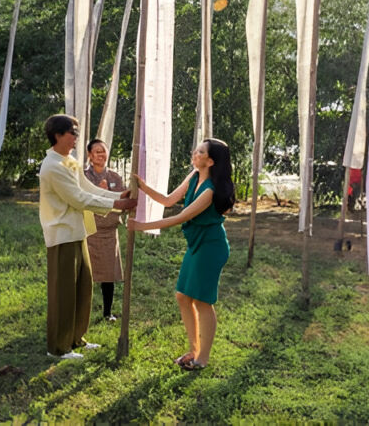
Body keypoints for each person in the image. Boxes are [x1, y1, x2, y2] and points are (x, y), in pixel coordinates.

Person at [129, 138, 235, 370]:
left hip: (211, 246)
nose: (194, 153)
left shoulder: (210, 191)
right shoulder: (194, 176)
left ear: (210, 160)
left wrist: (140, 226)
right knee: (183, 296)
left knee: (202, 301)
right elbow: (168, 200)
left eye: (199, 151)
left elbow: (180, 217)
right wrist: (143, 187)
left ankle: (202, 359)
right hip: (196, 244)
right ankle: (193, 349)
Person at [39, 114, 137, 360]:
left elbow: (88, 188)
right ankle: (58, 347)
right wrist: (118, 204)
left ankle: (75, 338)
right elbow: (79, 199)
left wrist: (118, 197)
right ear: (58, 135)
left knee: (82, 288)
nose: (75, 138)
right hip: (62, 235)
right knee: (63, 293)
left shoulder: (69, 161)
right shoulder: (52, 167)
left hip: (78, 232)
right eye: (72, 132)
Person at [83, 138, 125, 322]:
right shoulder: (84, 177)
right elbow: (81, 198)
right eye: (97, 151)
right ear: (90, 156)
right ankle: (81, 310)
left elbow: (123, 201)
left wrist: (109, 192)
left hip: (109, 231)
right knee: (85, 273)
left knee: (108, 274)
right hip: (89, 230)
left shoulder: (115, 177)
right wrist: (99, 192)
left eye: (104, 151)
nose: (101, 154)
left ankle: (107, 313)